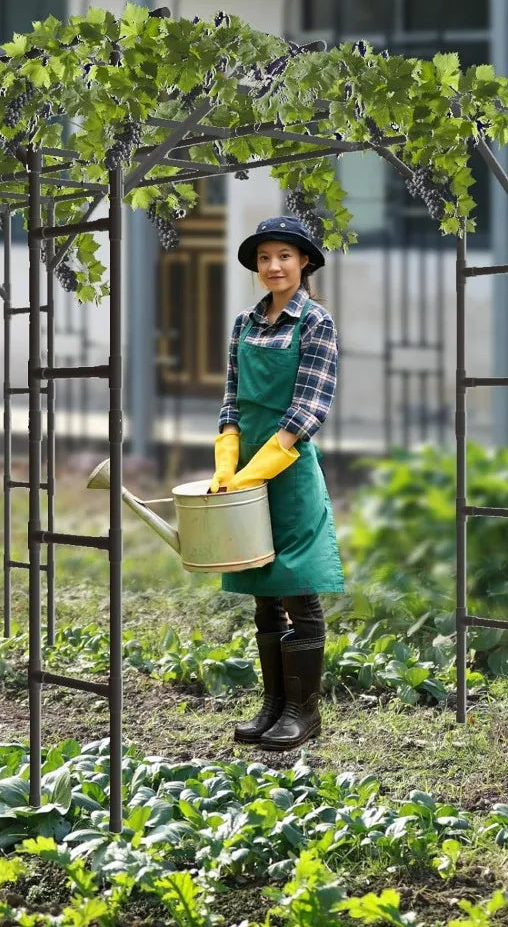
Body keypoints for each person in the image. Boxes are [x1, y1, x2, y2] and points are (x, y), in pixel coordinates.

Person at [210, 215, 345, 751]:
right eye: (265, 258)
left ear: (304, 262)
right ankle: (272, 705)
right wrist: (227, 461)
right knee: (261, 590)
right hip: (244, 463)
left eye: (284, 257)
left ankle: (302, 712)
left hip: (286, 468)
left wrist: (256, 469)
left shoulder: (315, 322)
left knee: (295, 586)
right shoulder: (244, 322)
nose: (274, 267)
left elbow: (310, 407)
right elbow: (231, 397)